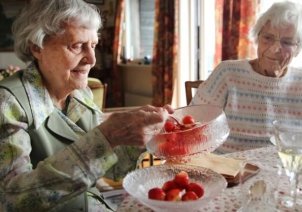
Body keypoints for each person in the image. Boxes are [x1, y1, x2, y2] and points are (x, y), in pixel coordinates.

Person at [0, 0, 174, 211]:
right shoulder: (7, 104)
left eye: (93, 45)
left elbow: (109, 168)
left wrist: (147, 137)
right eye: (76, 46)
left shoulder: (80, 94)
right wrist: (107, 136)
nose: (91, 59)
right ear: (36, 47)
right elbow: (13, 200)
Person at [190, 1, 302, 154]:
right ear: (257, 38)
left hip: (286, 171)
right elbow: (193, 125)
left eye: (287, 42)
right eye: (268, 38)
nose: (275, 49)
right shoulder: (227, 73)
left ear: (298, 49)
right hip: (230, 171)